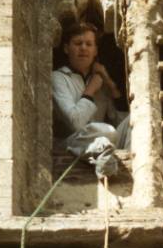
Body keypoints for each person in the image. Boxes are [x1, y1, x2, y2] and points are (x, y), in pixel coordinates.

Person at [52, 21, 130, 176]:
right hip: (72, 143)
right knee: (104, 130)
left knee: (135, 120)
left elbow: (120, 121)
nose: (83, 48)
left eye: (89, 44)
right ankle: (103, 151)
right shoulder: (58, 78)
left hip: (106, 139)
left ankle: (126, 167)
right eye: (78, 43)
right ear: (67, 48)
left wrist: (109, 84)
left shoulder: (99, 80)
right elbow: (75, 122)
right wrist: (90, 90)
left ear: (95, 51)